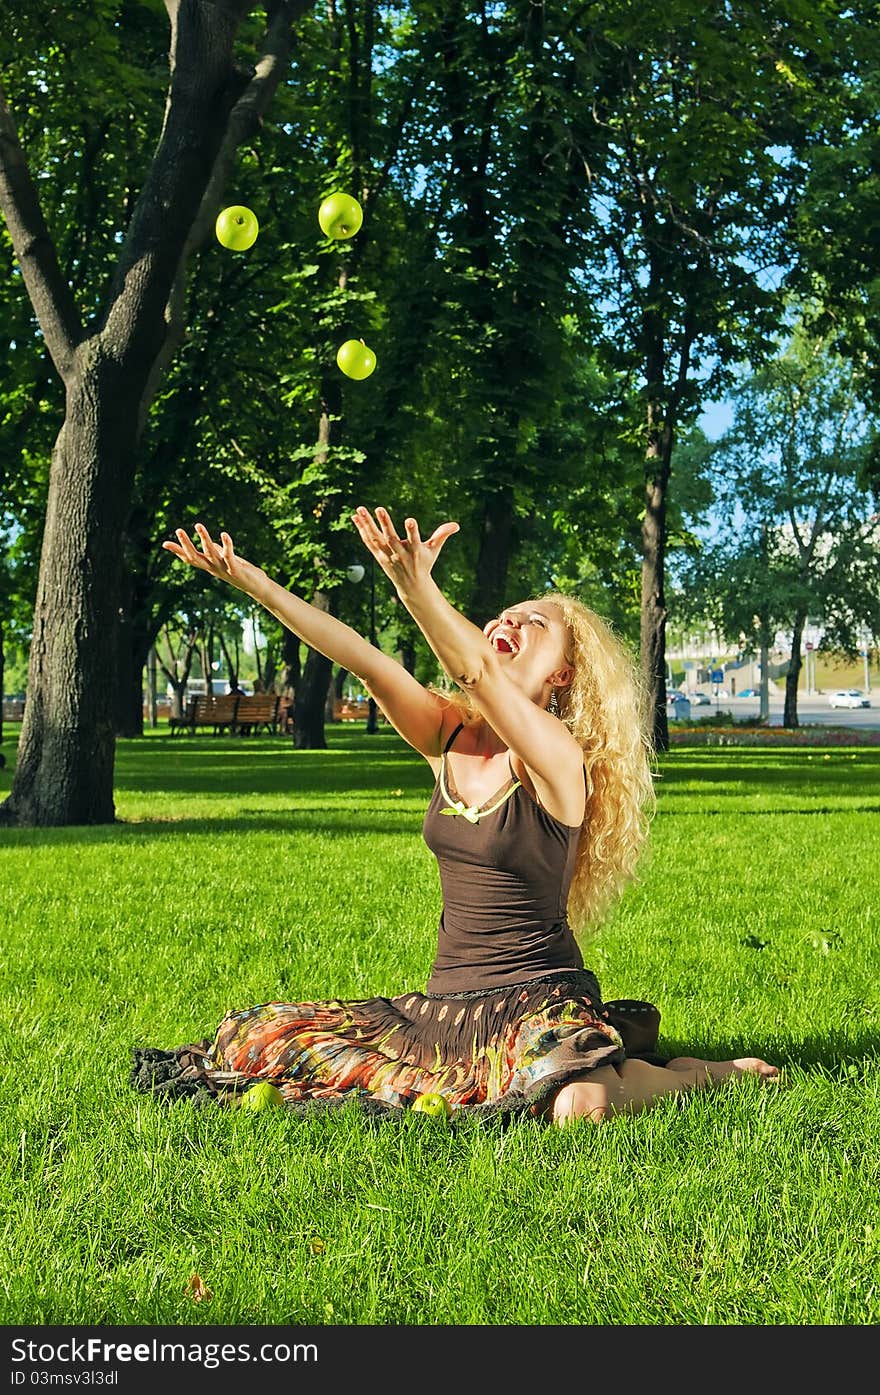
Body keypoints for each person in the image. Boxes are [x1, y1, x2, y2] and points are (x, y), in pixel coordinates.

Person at [131, 508, 778, 1125]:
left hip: (540, 1002)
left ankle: (696, 1074)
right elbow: (363, 657)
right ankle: (594, 1061)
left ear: (563, 672)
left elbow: (476, 671)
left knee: (580, 1106)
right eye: (507, 616)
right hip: (446, 1010)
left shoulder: (559, 758)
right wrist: (251, 580)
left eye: (535, 624)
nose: (512, 622)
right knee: (256, 1037)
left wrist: (416, 587)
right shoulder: (447, 738)